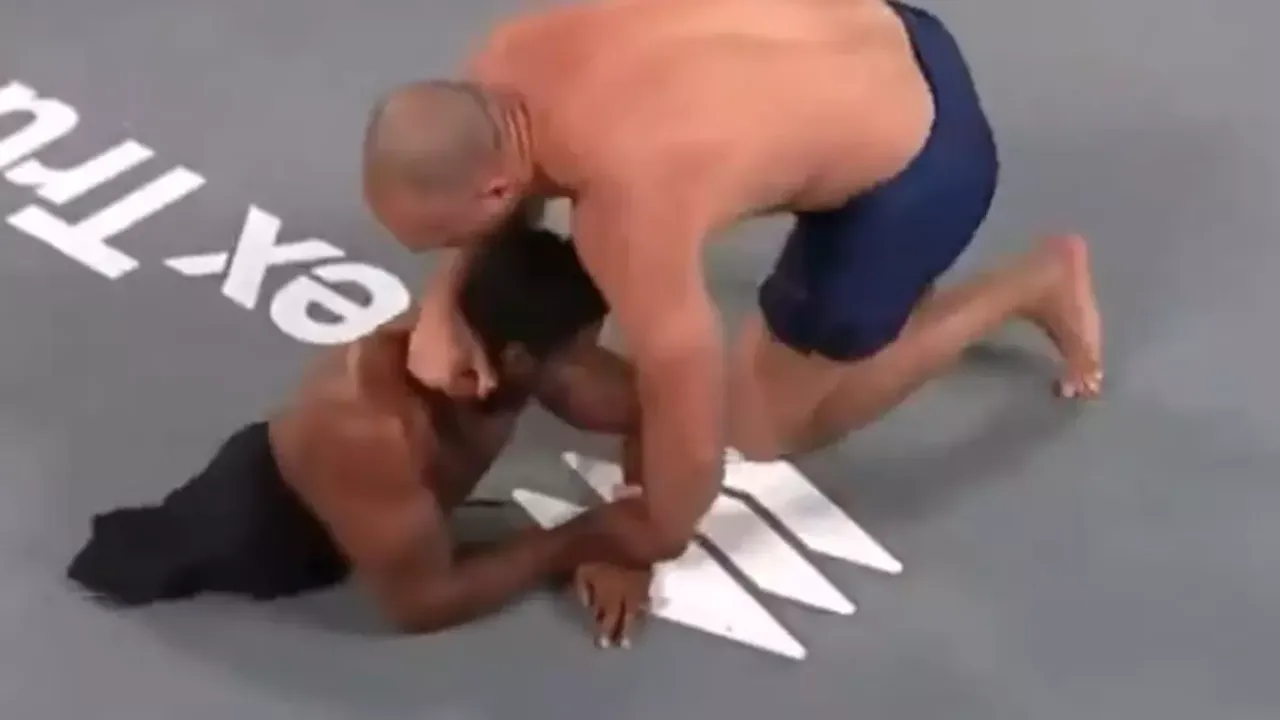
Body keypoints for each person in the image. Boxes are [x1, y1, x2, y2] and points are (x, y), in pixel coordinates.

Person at [362, 0, 1104, 634]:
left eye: (443, 243)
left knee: (762, 423)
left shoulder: (629, 210)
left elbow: (687, 410)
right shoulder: (504, 57)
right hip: (879, 29)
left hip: (926, 163)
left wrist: (635, 537)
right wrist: (444, 304)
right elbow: (509, 197)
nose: (446, 257)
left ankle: (1031, 284)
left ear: (493, 192)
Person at [67, 225, 650, 635]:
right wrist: (583, 540)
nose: (591, 359)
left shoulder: (513, 339)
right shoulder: (375, 429)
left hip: (385, 498)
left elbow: (649, 412)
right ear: (520, 359)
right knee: (157, 558)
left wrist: (631, 542)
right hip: (275, 528)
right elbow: (422, 604)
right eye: (579, 349)